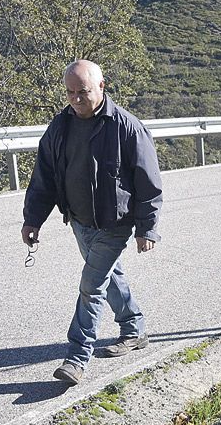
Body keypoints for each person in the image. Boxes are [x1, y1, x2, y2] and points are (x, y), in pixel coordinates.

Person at [21, 59, 163, 385]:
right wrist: (33, 220)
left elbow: (148, 183)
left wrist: (146, 228)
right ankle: (134, 328)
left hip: (115, 224)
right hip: (79, 222)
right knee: (109, 278)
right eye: (70, 93)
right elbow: (44, 178)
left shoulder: (126, 127)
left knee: (91, 286)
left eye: (82, 92)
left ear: (101, 86)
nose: (76, 99)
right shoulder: (60, 127)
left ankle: (76, 357)